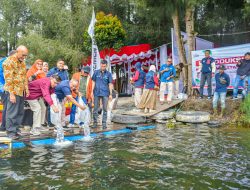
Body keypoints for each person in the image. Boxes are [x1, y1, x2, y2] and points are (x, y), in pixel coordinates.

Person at [3, 45, 29, 139]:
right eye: (23, 55)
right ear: (17, 52)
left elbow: (24, 77)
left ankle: (16, 130)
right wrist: (11, 94)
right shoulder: (8, 62)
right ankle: (10, 132)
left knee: (19, 112)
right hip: (13, 91)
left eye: (25, 55)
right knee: (12, 113)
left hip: (21, 91)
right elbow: (8, 79)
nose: (24, 57)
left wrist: (27, 89)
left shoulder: (22, 62)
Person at [92, 59, 113, 129]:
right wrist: (92, 91)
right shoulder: (96, 72)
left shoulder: (109, 74)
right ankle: (95, 123)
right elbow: (93, 82)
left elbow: (110, 84)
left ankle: (104, 123)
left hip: (105, 93)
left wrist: (110, 94)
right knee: (95, 109)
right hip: (96, 92)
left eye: (104, 66)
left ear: (106, 66)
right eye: (102, 66)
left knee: (105, 109)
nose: (103, 67)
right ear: (100, 65)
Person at [0, 50, 16, 131]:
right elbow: (4, 77)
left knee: (8, 108)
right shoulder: (4, 62)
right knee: (7, 107)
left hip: (7, 88)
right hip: (4, 88)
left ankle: (6, 126)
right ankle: (3, 126)